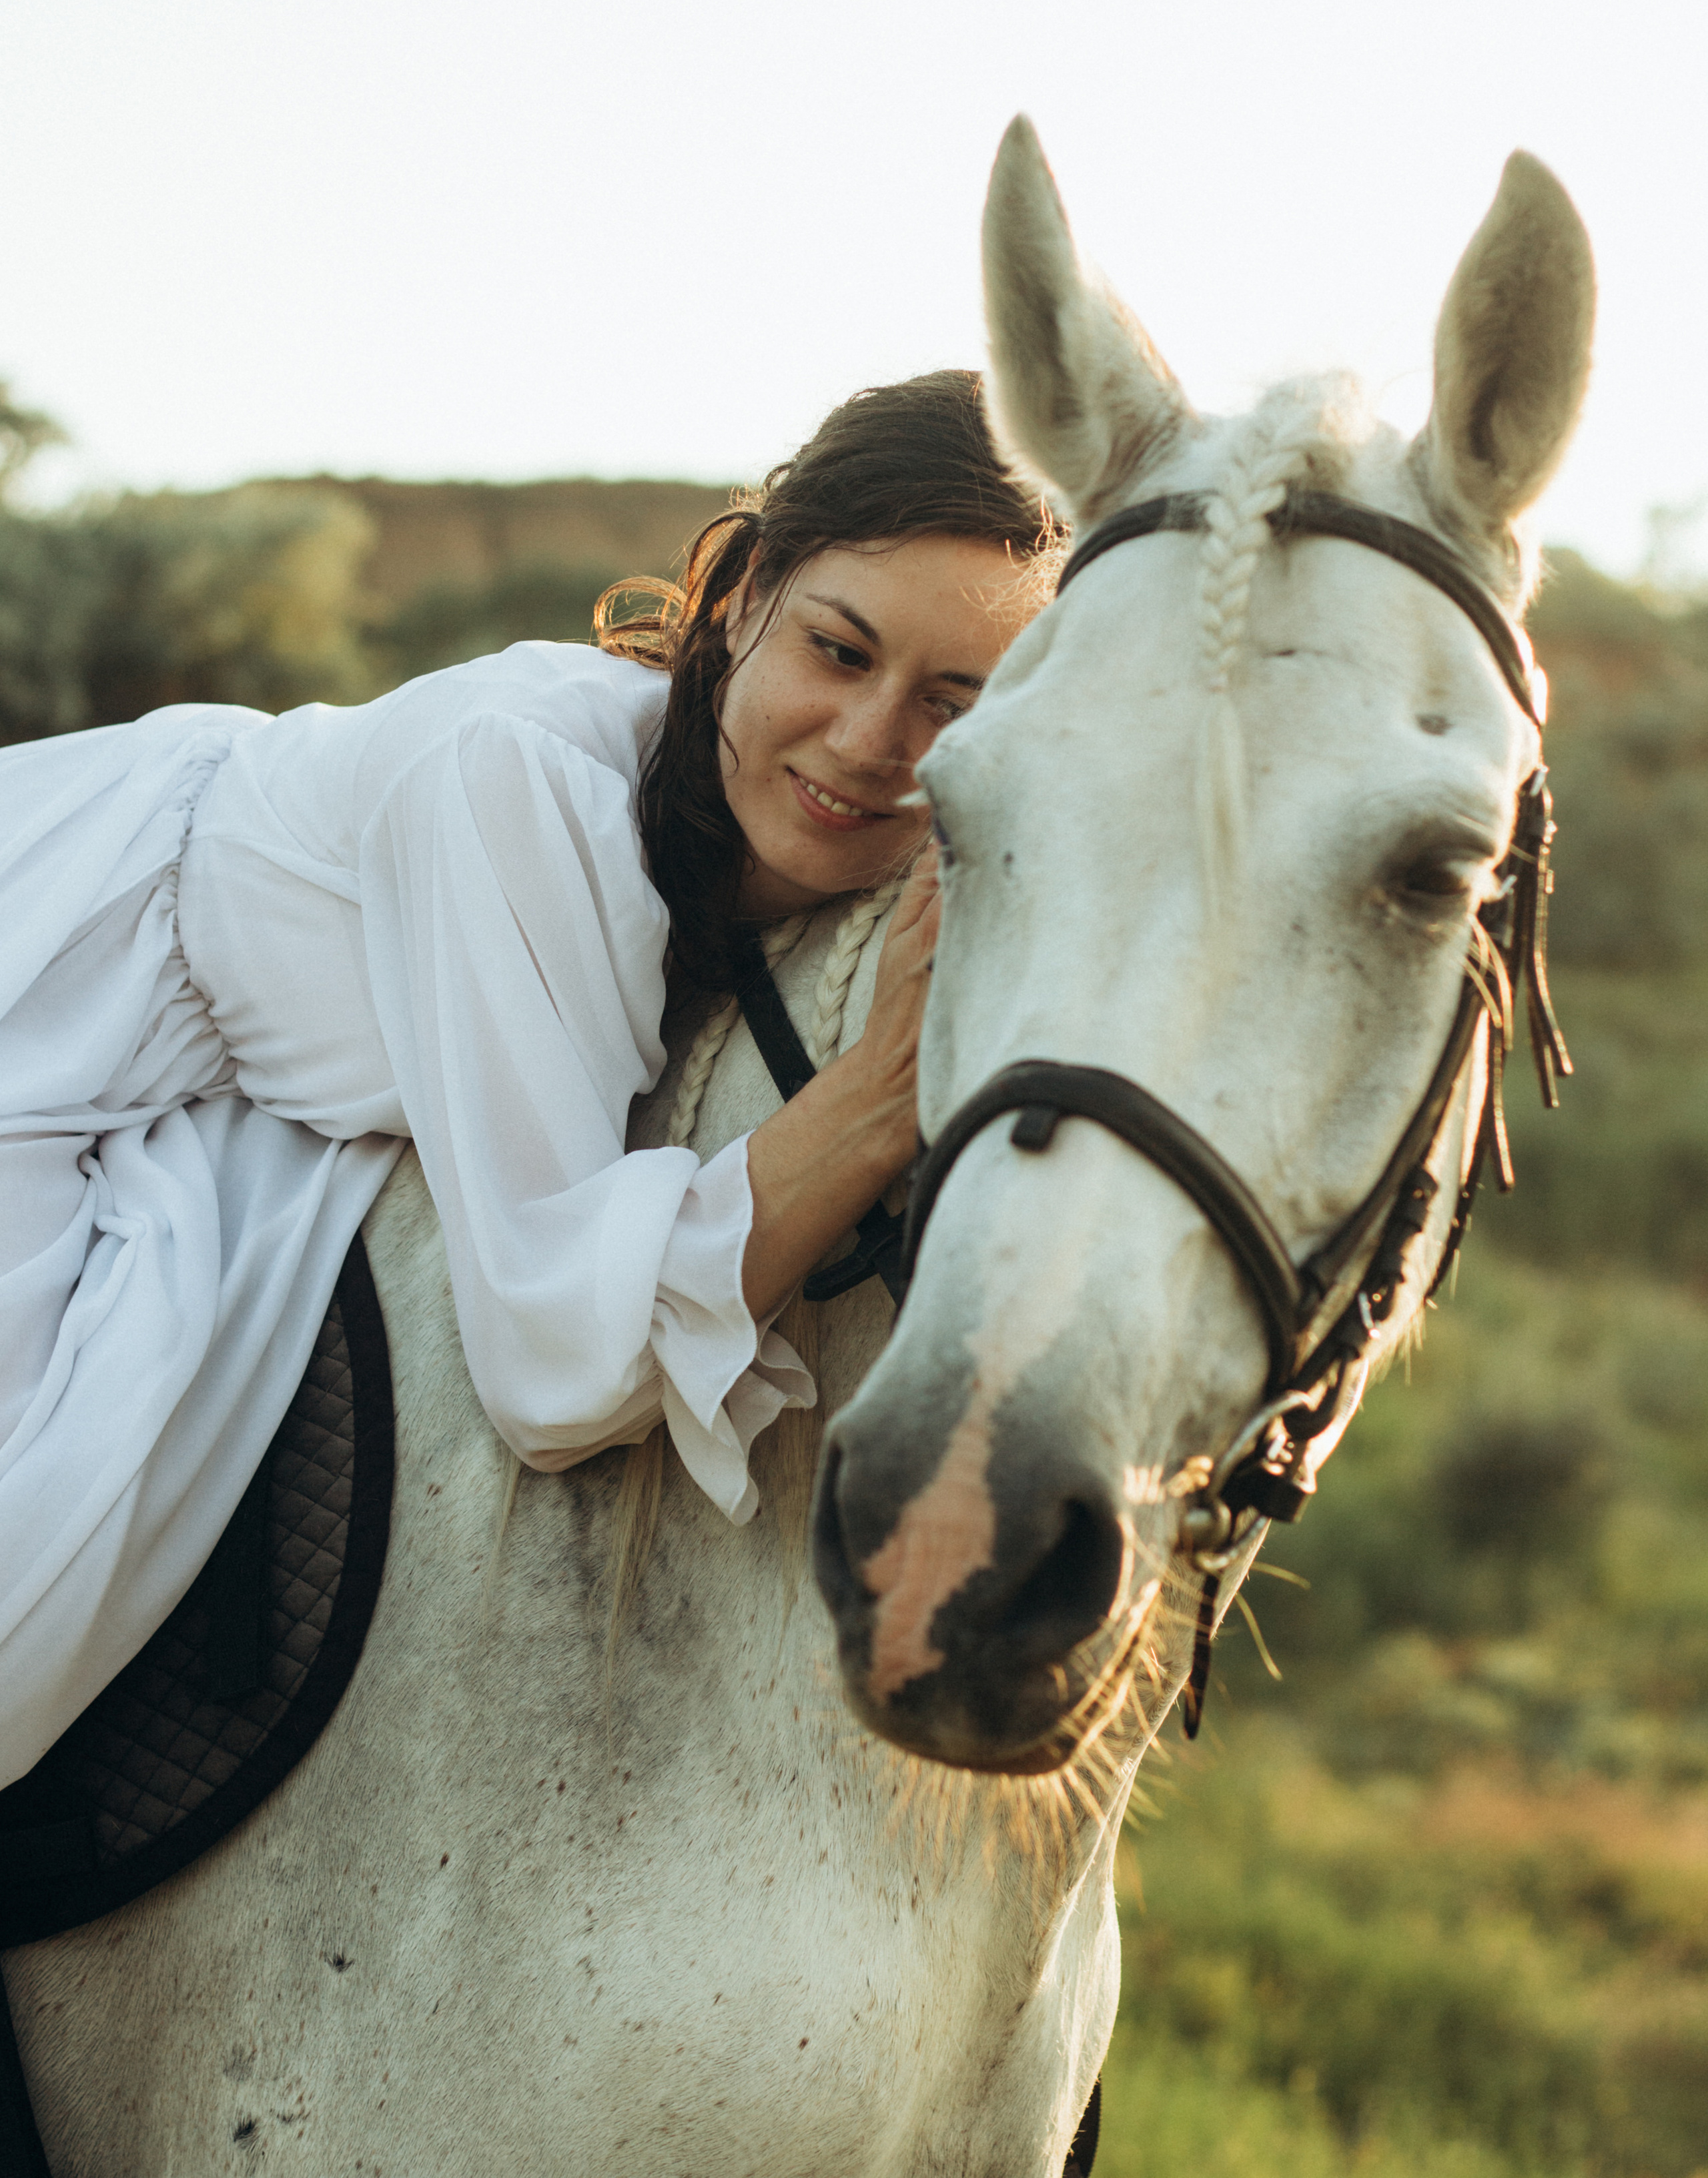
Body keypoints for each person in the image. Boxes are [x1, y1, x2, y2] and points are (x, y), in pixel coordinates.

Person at [0, 370, 1057, 1787]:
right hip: (53, 994)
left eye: (950, 703)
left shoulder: (768, 830)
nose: (869, 747)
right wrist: (872, 1100)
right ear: (743, 594)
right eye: (840, 651)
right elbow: (549, 1357)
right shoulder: (527, 781)